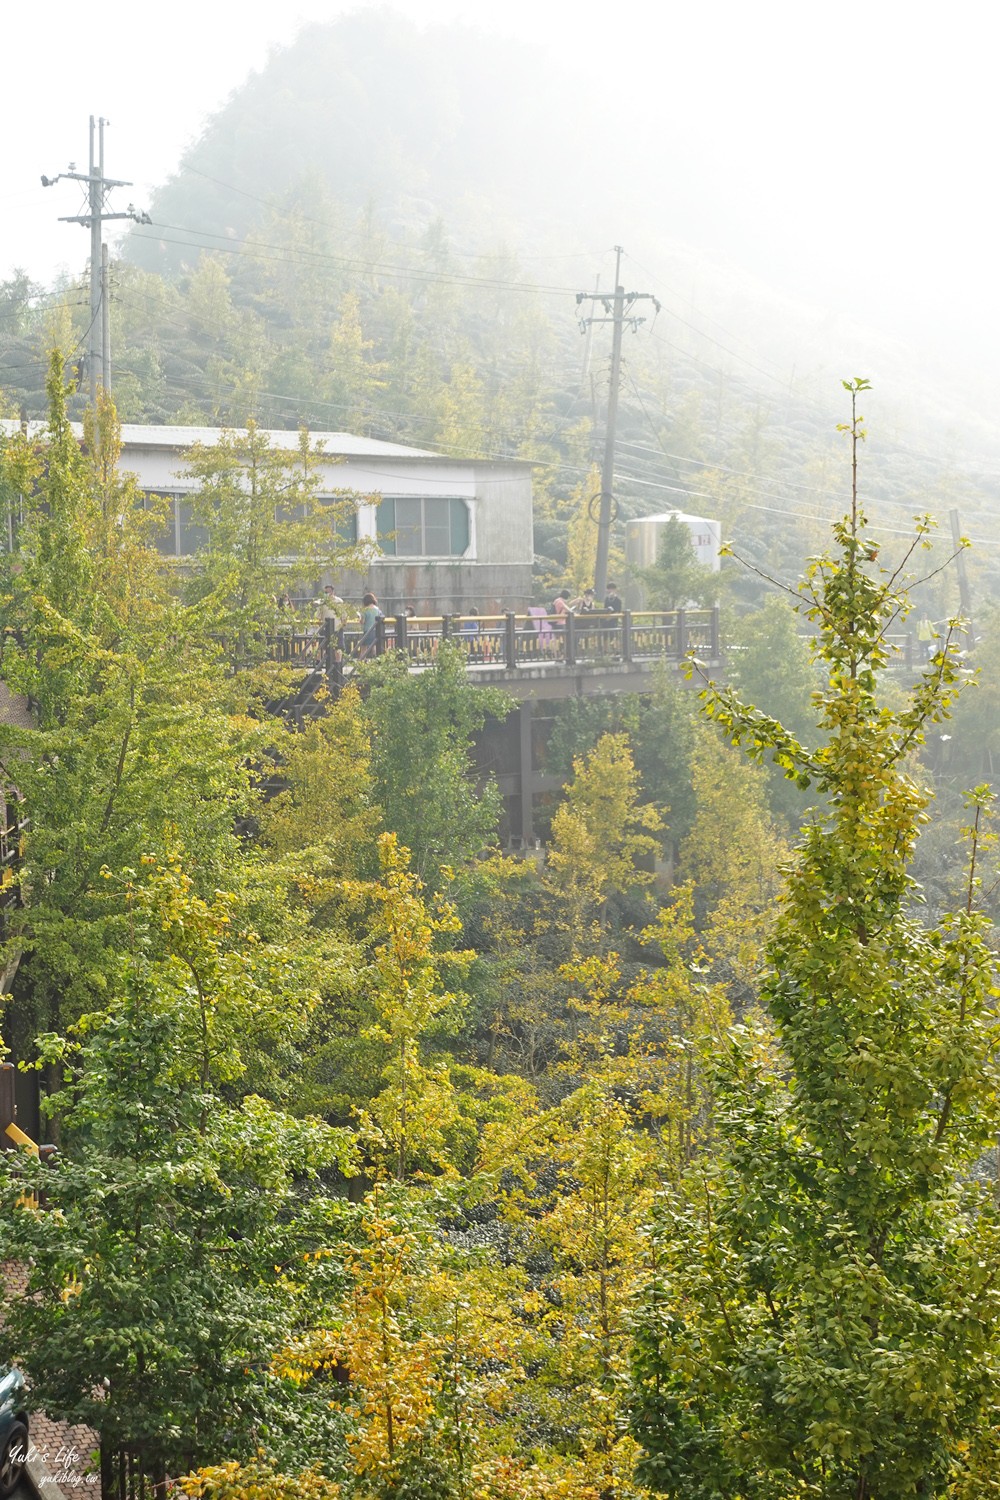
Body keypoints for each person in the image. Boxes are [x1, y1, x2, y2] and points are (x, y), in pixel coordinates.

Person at [358, 591, 383, 659]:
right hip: (376, 631)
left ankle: (361, 662)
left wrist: (359, 618)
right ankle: (375, 660)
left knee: (363, 648)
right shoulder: (377, 609)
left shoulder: (365, 610)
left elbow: (362, 621)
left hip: (367, 631)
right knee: (374, 647)